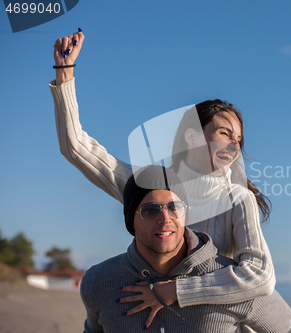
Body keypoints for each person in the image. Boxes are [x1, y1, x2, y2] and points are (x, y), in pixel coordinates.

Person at [49, 30, 275, 329]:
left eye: (238, 139)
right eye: (224, 133)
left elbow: (260, 275)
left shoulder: (237, 199)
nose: (234, 146)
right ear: (192, 136)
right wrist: (65, 74)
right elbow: (76, 148)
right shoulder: (149, 185)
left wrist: (174, 291)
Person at [80, 165, 291, 333]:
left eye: (174, 207)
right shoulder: (98, 281)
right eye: (150, 210)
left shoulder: (232, 282)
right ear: (131, 220)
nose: (165, 219)